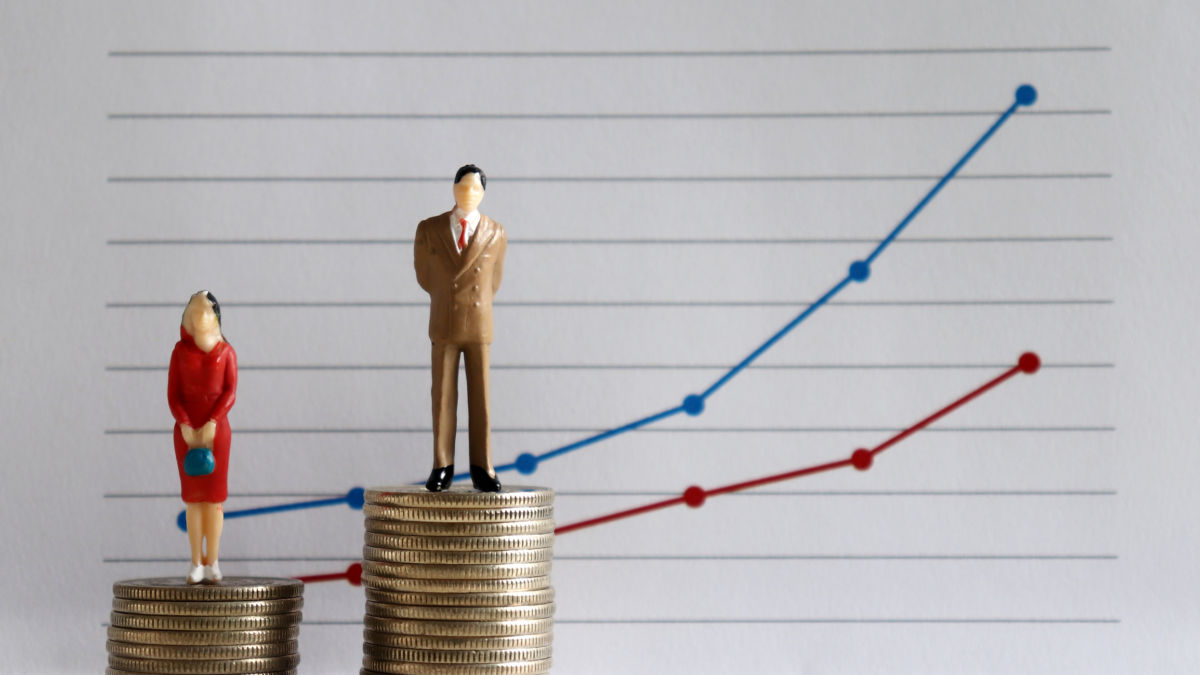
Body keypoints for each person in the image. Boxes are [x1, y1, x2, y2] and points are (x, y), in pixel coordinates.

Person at [413, 164, 507, 492]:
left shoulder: (496, 232)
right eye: (463, 188)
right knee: (442, 396)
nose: (468, 194)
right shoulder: (429, 228)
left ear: (483, 193)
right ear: (454, 189)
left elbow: (493, 280)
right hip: (444, 320)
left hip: (478, 323)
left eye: (475, 189)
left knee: (481, 398)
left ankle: (482, 466)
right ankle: (443, 464)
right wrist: (445, 297)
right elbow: (424, 276)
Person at [167, 291, 238, 583]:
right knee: (194, 500)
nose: (200, 317)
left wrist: (212, 421)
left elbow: (230, 392)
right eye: (194, 312)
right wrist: (184, 423)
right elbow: (173, 395)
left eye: (206, 312)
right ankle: (196, 560)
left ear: (215, 318)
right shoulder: (179, 353)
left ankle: (214, 560)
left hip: (216, 433)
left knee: (215, 499)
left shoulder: (226, 353)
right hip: (186, 433)